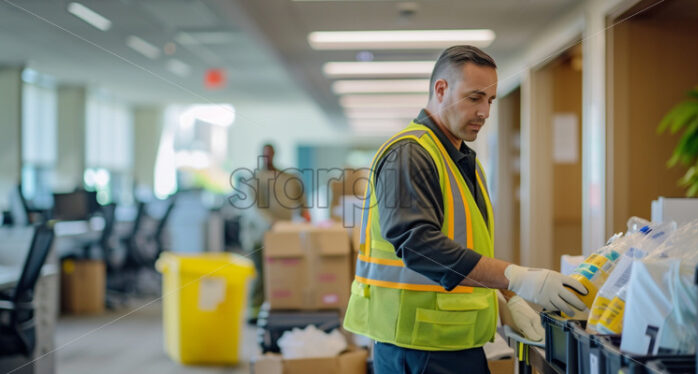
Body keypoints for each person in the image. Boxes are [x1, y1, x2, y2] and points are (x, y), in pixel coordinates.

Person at [342, 45, 587, 373]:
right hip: (418, 348)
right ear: (441, 90)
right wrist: (516, 278)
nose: (485, 111)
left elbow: (465, 247)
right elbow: (418, 246)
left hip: (451, 343)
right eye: (474, 98)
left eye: (490, 101)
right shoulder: (410, 154)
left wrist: (506, 300)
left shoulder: (463, 161)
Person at [239, 143, 310, 319]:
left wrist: (305, 213)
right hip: (258, 237)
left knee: (281, 273)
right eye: (264, 154)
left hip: (281, 236)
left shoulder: (287, 177)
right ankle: (254, 313)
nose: (267, 157)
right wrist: (272, 222)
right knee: (259, 276)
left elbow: (300, 197)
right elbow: (254, 209)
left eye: (270, 154)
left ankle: (277, 308)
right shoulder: (253, 179)